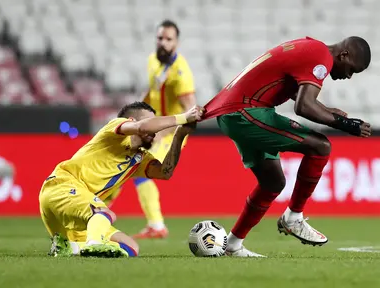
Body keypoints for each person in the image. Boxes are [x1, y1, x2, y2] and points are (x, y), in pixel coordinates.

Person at [203, 36, 372, 257]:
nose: (349, 76)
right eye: (352, 70)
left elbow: (291, 87)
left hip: (234, 111)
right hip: (245, 111)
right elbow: (303, 106)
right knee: (321, 147)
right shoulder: (321, 58)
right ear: (344, 55)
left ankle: (233, 245)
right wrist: (346, 124)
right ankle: (294, 217)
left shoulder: (310, 47)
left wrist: (327, 110)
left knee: (273, 182)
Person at [39, 102, 204, 258]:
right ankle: (94, 243)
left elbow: (165, 173)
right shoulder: (115, 129)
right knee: (105, 213)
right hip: (61, 186)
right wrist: (183, 117)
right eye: (151, 121)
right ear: (130, 121)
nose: (154, 130)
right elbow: (142, 127)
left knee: (131, 247)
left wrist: (179, 135)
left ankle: (67, 246)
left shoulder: (139, 158)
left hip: (75, 210)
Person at [105, 20, 196, 239]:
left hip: (169, 132)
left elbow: (191, 112)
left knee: (136, 167)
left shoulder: (180, 73)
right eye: (160, 38)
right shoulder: (153, 61)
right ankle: (99, 207)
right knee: (124, 163)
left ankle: (156, 224)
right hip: (153, 128)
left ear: (177, 43)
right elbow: (152, 93)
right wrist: (137, 115)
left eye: (168, 39)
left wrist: (168, 134)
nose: (163, 43)